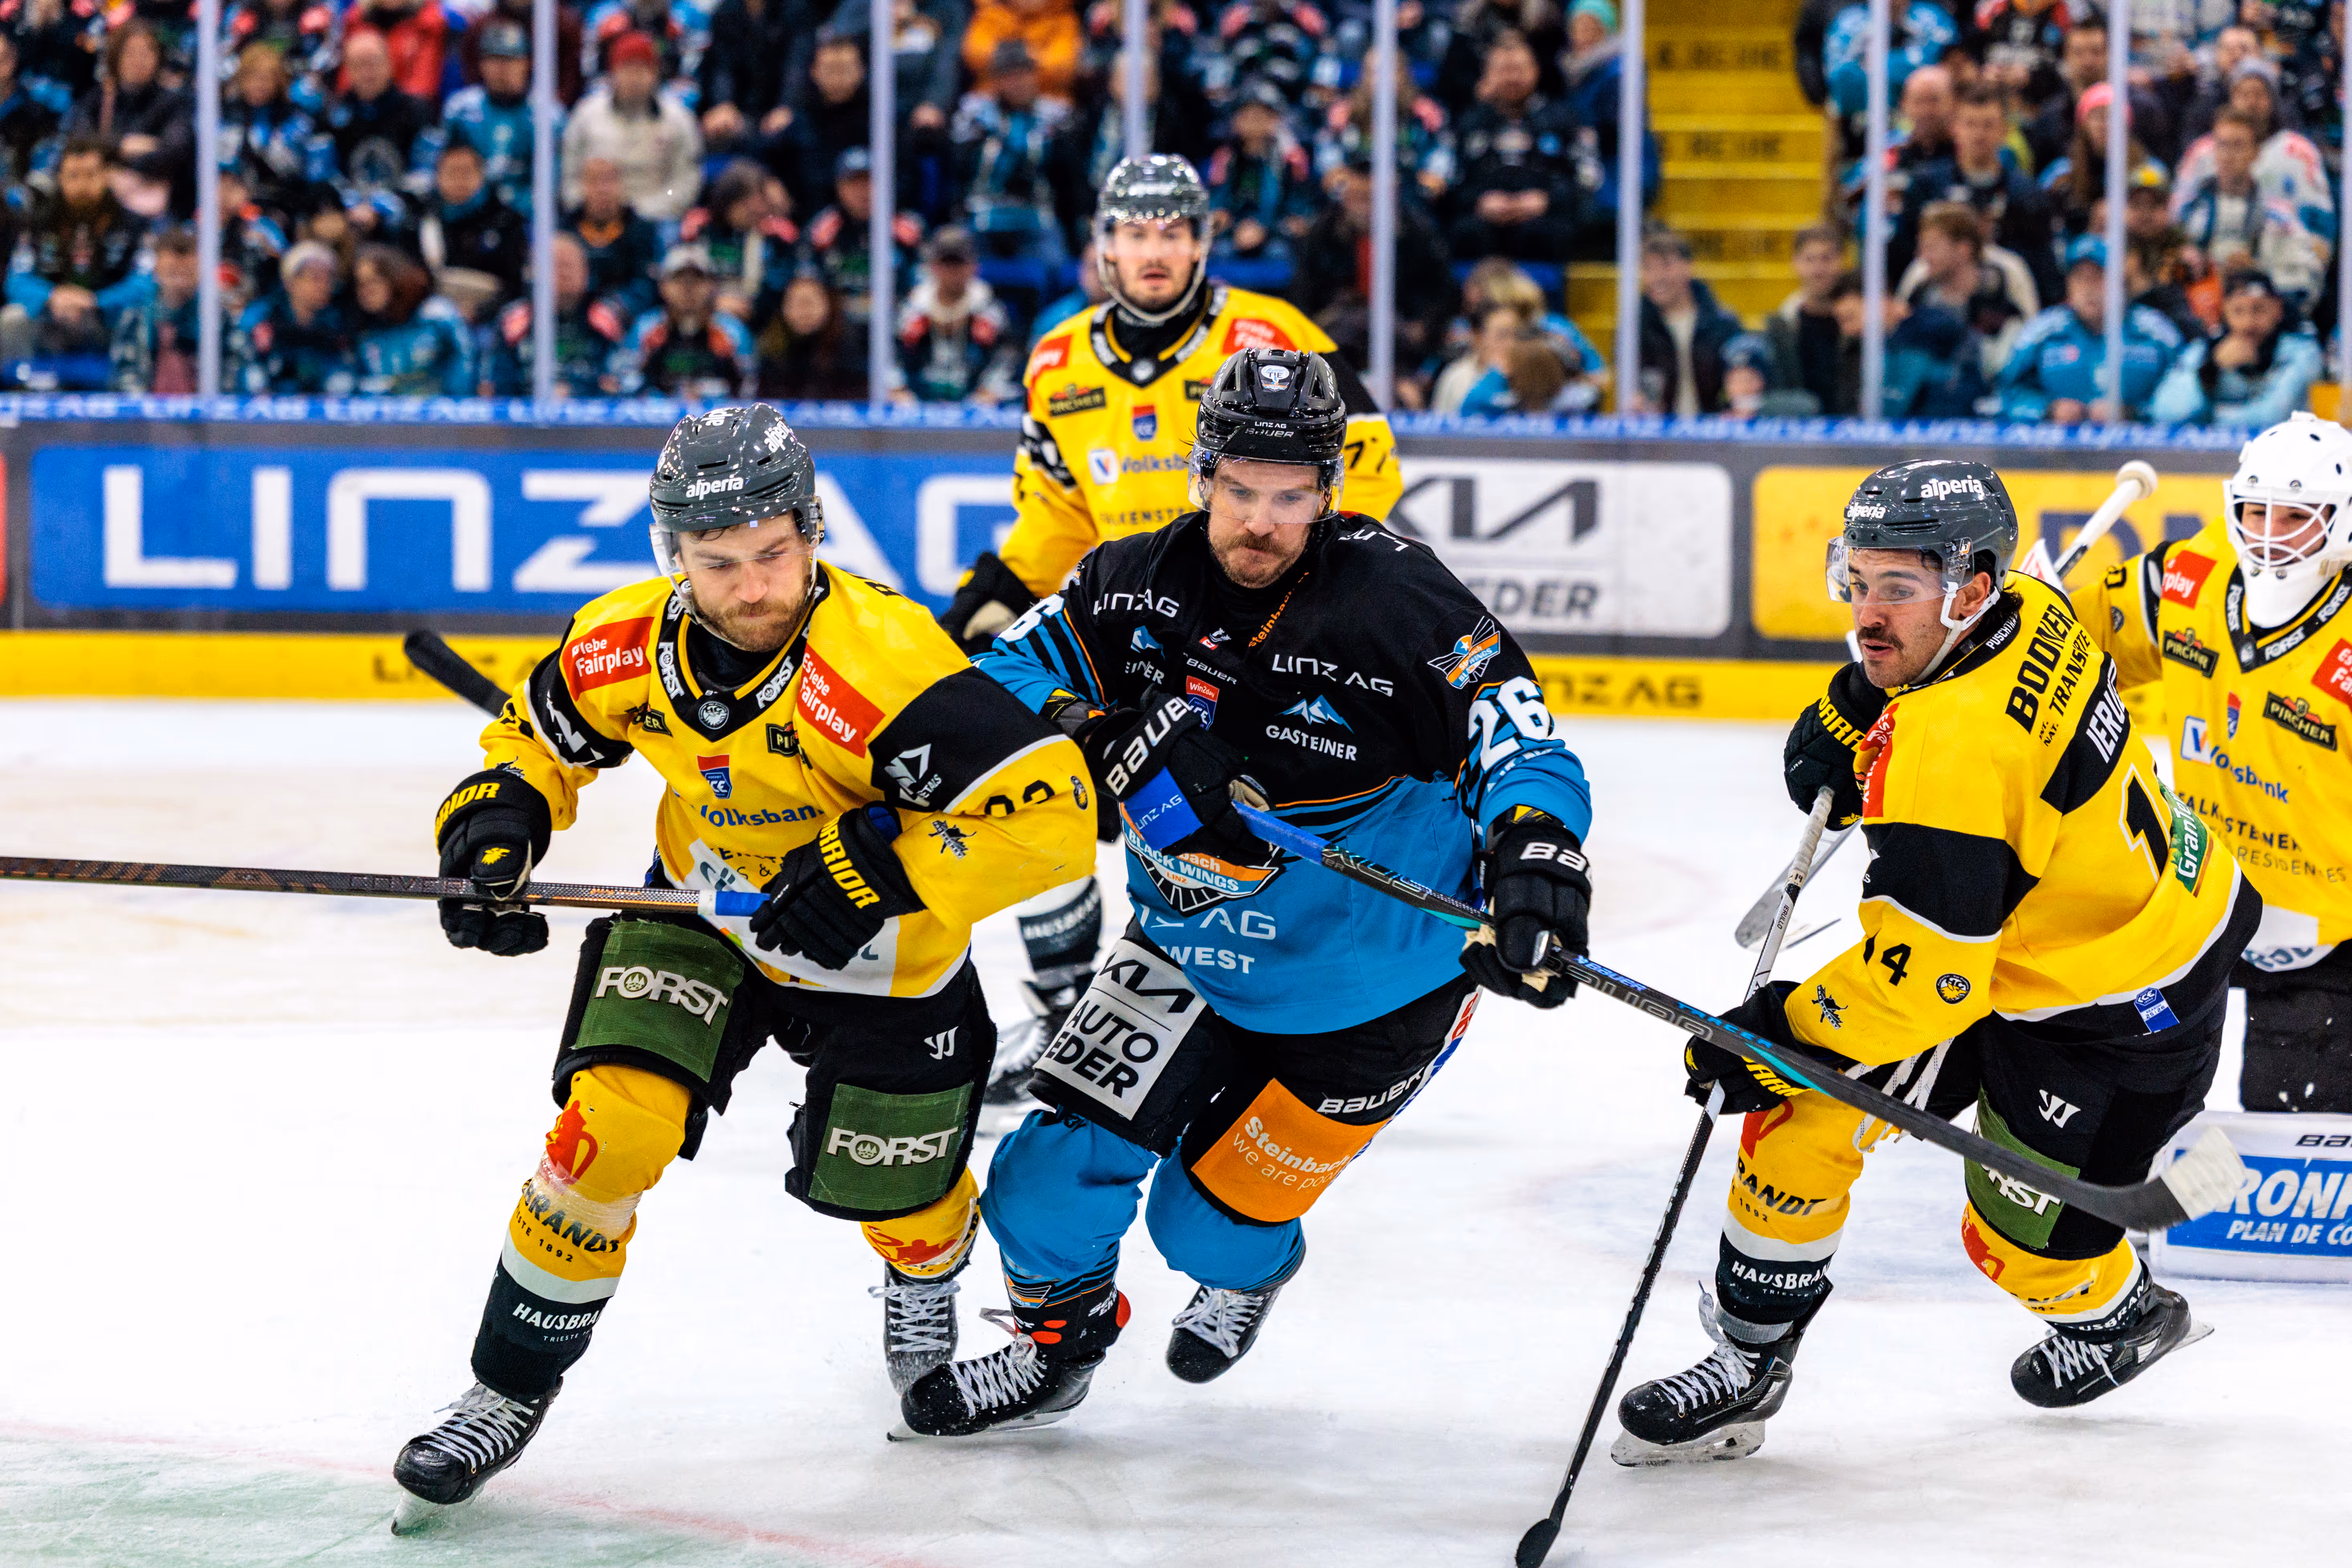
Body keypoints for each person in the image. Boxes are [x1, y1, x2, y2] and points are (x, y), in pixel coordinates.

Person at [389, 404, 1098, 1523]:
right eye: (719, 563)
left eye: (775, 553)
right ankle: (503, 1386)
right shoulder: (626, 639)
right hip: (702, 915)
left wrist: (883, 867)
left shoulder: (890, 660)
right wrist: (496, 821)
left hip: (883, 958)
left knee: (899, 1191)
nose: (754, 585)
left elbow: (1051, 816)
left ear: (811, 535)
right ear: (674, 556)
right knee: (606, 1129)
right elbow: (536, 731)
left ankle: (922, 1273)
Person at [899, 347, 1593, 1435]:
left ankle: (1250, 1269)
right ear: (1201, 475)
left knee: (1203, 1228)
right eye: (1240, 491)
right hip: (1186, 943)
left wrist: (1538, 850)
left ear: (1327, 492)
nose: (1261, 522)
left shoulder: (1400, 600)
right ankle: (1056, 1344)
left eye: (1290, 497)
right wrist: (1100, 737)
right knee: (1041, 1176)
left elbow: (1519, 734)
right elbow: (984, 699)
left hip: (1377, 984)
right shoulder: (1123, 581)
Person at [1614, 459, 2258, 1465]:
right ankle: (1749, 1359)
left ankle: (2124, 1317)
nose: (1868, 614)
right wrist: (1852, 706)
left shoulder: (1950, 763)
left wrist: (1779, 1027)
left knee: (2015, 1240)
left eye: (1898, 591)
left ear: (1973, 586)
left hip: (2122, 998)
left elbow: (1930, 984)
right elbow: (1968, 697)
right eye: (1856, 580)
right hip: (2051, 931)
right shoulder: (2036, 603)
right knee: (1805, 1111)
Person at [930, 158, 1402, 1097]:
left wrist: (1285, 610)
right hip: (1134, 627)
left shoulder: (1272, 337)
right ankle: (1069, 1008)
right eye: (1136, 233)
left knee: (1248, 826)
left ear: (1203, 240)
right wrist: (991, 591)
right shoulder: (1056, 358)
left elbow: (1367, 481)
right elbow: (1057, 515)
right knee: (1023, 763)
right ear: (1104, 245)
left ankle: (1289, 1013)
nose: (1155, 251)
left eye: (1174, 231)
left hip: (1260, 624)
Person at [2081, 413, 2352, 1110]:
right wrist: (2015, 618)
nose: (2266, 532)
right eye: (2255, 509)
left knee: (2295, 1136)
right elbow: (2079, 638)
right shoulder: (2191, 574)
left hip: (2331, 936)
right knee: (2134, 1099)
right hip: (2200, 900)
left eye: (2294, 515)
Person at [1894, 80, 2059, 308]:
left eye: (1988, 125)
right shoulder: (1927, 185)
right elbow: (1903, 250)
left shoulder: (2027, 193)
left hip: (2004, 305)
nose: (1979, 134)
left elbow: (2043, 267)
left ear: (2004, 130)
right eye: (1971, 124)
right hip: (1935, 300)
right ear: (1956, 128)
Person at [1, 136, 151, 385]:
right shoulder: (40, 222)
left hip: (107, 320)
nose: (82, 184)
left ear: (107, 176)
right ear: (60, 178)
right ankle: (20, 397)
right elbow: (16, 281)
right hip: (51, 318)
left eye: (91, 174)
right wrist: (53, 296)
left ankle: (129, 393)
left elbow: (145, 283)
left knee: (139, 315)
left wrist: (96, 301)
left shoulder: (134, 225)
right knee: (12, 318)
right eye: (74, 176)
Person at [1996, 237, 2183, 424]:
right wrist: (2047, 410)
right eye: (2080, 278)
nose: (2089, 289)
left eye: (2099, 278)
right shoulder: (2042, 332)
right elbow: (2005, 393)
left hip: (2142, 451)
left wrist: (2133, 413)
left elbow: (2187, 398)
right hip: (2059, 451)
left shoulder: (2156, 332)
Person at [2173, 106, 2330, 306]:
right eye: (2222, 145)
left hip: (2257, 318)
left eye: (2238, 146)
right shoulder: (2187, 211)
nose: (2228, 155)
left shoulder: (2279, 217)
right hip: (2193, 314)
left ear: (2256, 152)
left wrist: (2256, 273)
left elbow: (2306, 283)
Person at [1444, 29, 1577, 263]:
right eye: (1504, 70)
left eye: (1519, 69)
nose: (1512, 78)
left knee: (1548, 234)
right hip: (1481, 227)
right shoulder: (1467, 124)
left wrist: (1548, 200)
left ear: (1536, 71)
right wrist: (1479, 201)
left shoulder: (1564, 121)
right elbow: (1450, 181)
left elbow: (1585, 179)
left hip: (1544, 225)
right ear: (1487, 75)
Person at [560, 30, 704, 223]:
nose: (634, 77)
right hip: (592, 219)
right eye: (627, 68)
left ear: (655, 74)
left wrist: (644, 210)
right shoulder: (586, 116)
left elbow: (684, 184)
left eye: (643, 69)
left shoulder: (678, 121)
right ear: (613, 72)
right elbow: (569, 176)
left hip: (656, 219)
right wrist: (586, 206)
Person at [2148, 270, 2321, 427]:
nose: (2249, 322)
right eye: (2238, 311)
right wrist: (2210, 371)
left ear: (2278, 311)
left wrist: (2209, 419)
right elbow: (2164, 412)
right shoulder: (2203, 352)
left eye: (2259, 310)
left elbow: (2273, 418)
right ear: (2225, 311)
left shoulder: (2303, 353)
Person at [64, 21, 193, 218]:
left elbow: (175, 150)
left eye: (147, 53)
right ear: (117, 56)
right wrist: (122, 146)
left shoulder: (174, 103)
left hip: (154, 209)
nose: (139, 61)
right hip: (104, 206)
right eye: (131, 52)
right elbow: (78, 138)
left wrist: (117, 162)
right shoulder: (98, 98)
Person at [890, 224, 1021, 403]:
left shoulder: (989, 311)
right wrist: (898, 389)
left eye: (959, 263)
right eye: (945, 263)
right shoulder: (913, 309)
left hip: (975, 405)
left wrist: (989, 390)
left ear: (973, 266)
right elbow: (891, 355)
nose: (952, 271)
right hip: (917, 404)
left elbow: (1007, 357)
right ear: (933, 266)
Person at [490, 232, 627, 397]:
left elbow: (618, 383)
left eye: (570, 266)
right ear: (534, 272)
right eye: (556, 265)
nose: (564, 273)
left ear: (586, 273)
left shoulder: (606, 320)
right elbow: (498, 383)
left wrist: (576, 392)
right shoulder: (513, 321)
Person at [433, 20, 547, 217]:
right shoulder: (460, 111)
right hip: (469, 215)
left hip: (525, 217)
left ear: (526, 63)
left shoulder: (546, 118)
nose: (502, 68)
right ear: (482, 64)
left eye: (510, 60)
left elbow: (550, 185)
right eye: (494, 59)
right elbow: (442, 172)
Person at [615, 243, 757, 397]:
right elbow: (622, 382)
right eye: (678, 280)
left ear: (712, 285)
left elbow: (750, 386)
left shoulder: (733, 332)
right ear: (663, 286)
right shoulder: (646, 328)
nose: (688, 288)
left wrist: (711, 393)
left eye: (697, 279)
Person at [413, 136, 532, 320]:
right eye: (452, 172)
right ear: (438, 177)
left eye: (467, 172)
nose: (459, 180)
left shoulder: (507, 221)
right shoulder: (423, 220)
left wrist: (481, 312)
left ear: (482, 176)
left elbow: (517, 285)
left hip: (495, 316)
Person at [1634, 228, 1744, 417]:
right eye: (1648, 268)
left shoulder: (1724, 324)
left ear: (1688, 267)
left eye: (1666, 265)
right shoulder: (1636, 329)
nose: (1657, 277)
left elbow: (1742, 382)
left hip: (1716, 434)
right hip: (1659, 437)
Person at [229, 238, 356, 393]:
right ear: (290, 282)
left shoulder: (337, 321)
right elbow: (243, 353)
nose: (324, 286)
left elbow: (343, 373)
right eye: (315, 278)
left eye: (328, 279)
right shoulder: (263, 314)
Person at [350, 242, 474, 395]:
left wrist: (455, 405)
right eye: (360, 284)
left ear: (394, 279)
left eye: (375, 281)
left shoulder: (436, 316)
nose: (366, 292)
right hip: (391, 416)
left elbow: (464, 362)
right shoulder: (366, 334)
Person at [565, 155, 665, 325]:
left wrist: (616, 307)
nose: (602, 189)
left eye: (609, 181)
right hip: (572, 316)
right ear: (582, 186)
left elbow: (649, 285)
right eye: (594, 181)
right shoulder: (565, 229)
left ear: (622, 186)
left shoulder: (642, 230)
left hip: (627, 319)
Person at [1764, 225, 1847, 415]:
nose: (1818, 270)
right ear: (1796, 264)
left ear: (1841, 262)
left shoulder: (1859, 326)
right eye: (1810, 260)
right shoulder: (1782, 327)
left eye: (1826, 259)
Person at [109, 223, 201, 392]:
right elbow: (125, 374)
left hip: (204, 414)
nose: (180, 281)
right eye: (173, 272)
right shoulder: (137, 316)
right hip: (148, 413)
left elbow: (231, 373)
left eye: (188, 273)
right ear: (157, 269)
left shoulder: (215, 317)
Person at [757, 269, 867, 398]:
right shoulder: (772, 352)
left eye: (810, 303)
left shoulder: (852, 349)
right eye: (796, 303)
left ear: (828, 305)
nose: (804, 312)